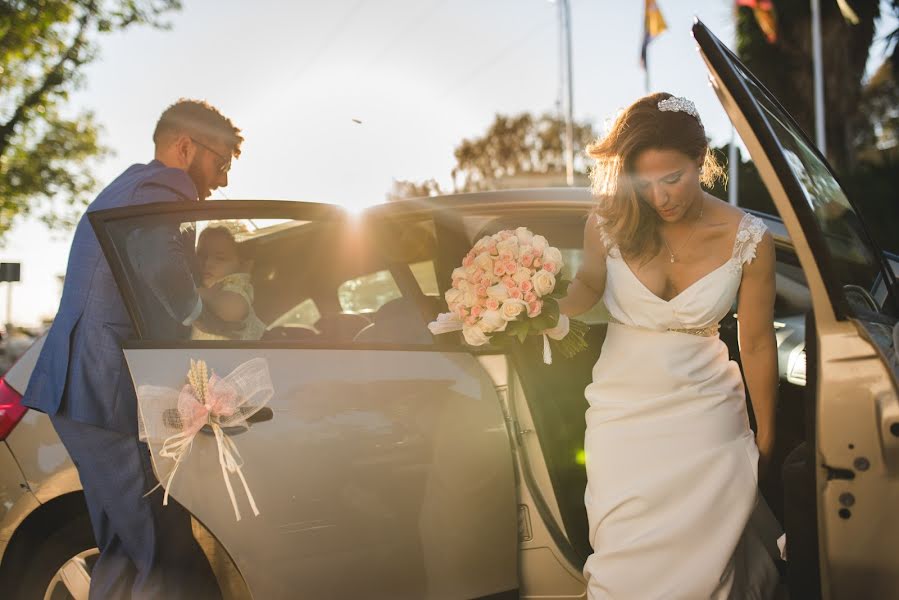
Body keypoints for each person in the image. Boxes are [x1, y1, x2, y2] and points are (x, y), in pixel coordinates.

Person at [556, 93, 780, 598]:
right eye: (645, 183)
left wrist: (768, 436)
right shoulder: (609, 222)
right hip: (622, 414)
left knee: (709, 562)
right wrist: (540, 308)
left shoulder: (750, 239)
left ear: (700, 160)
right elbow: (588, 287)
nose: (660, 198)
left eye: (673, 179)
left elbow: (759, 345)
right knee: (624, 557)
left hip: (706, 415)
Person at [22, 99, 242, 599]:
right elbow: (167, 279)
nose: (223, 181)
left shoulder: (131, 183)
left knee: (127, 548)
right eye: (221, 162)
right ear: (185, 147)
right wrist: (209, 297)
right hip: (103, 390)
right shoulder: (163, 185)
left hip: (85, 389)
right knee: (161, 555)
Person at [191, 222, 265, 341]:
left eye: (220, 258)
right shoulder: (207, 286)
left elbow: (234, 308)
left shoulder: (235, 285)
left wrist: (202, 294)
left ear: (244, 264)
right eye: (201, 256)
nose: (207, 263)